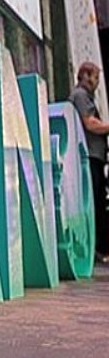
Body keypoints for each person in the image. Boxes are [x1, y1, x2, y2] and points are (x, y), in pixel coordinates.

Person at [69, 62, 109, 264]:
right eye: (95, 77)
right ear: (85, 75)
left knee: (99, 202)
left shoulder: (85, 97)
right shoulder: (81, 96)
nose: (97, 82)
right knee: (95, 203)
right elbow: (90, 123)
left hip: (95, 157)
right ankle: (96, 248)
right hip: (90, 157)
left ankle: (98, 247)